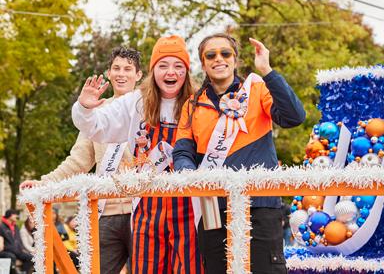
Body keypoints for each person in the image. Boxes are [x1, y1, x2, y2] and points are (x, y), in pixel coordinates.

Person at [173, 33, 305, 273]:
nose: (218, 59)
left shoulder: (257, 89)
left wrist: (267, 71)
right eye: (210, 55)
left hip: (260, 204)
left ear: (235, 60)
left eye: (225, 53)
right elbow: (182, 151)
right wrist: (191, 175)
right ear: (203, 64)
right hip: (212, 207)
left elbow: (294, 117)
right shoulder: (192, 105)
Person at [71, 35, 203, 273]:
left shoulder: (199, 103)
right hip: (147, 207)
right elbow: (97, 127)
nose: (170, 72)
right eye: (163, 65)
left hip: (188, 206)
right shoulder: (135, 103)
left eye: (178, 66)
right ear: (153, 71)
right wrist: (85, 107)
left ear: (186, 70)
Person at [20, 47, 143, 274]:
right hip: (105, 212)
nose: (121, 74)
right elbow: (78, 161)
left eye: (128, 69)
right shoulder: (96, 113)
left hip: (143, 210)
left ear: (139, 75)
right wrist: (45, 182)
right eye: (116, 68)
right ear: (108, 72)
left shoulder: (148, 108)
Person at [0, 209, 33, 274]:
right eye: (15, 214)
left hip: (17, 251)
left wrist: (22, 249)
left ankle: (24, 272)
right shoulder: (2, 227)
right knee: (11, 257)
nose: (17, 216)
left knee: (30, 257)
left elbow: (19, 240)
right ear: (10, 215)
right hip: (7, 251)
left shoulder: (16, 226)